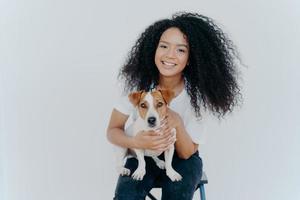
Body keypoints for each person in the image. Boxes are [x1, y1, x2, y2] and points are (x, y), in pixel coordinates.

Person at [106, 12, 241, 200]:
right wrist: (135, 143)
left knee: (177, 193)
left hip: (182, 157)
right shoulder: (138, 88)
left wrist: (176, 122)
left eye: (181, 50)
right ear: (153, 48)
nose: (170, 55)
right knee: (127, 194)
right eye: (164, 46)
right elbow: (112, 130)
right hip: (142, 153)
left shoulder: (199, 96)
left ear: (191, 57)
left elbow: (186, 153)